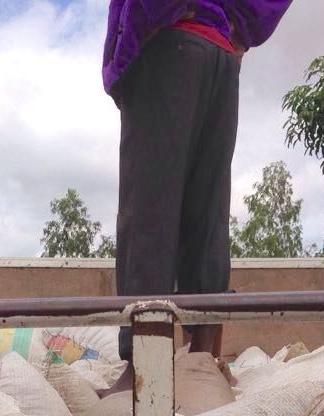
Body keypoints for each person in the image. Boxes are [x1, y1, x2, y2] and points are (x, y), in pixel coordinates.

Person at [104, 0, 293, 390]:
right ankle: (205, 360)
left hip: (171, 44)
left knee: (149, 214)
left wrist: (155, 16)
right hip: (220, 55)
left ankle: (145, 372)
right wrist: (243, 28)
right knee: (207, 214)